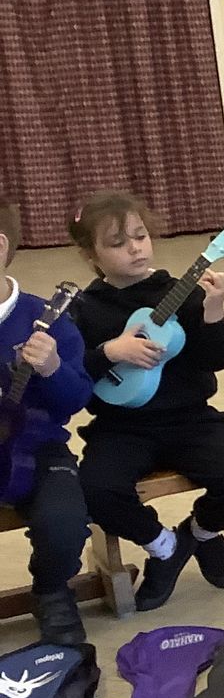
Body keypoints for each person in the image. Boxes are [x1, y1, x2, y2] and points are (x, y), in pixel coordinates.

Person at [69, 192, 224, 613]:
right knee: (94, 490)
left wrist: (214, 310)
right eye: (118, 242)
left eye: (140, 236)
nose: (135, 248)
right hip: (121, 427)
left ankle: (201, 534)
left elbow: (216, 359)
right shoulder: (84, 309)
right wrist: (109, 353)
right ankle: (165, 548)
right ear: (90, 255)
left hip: (190, 419)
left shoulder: (181, 292)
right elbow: (72, 377)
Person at [0, 204, 92, 643]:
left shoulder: (46, 318)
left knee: (64, 520)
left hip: (36, 447)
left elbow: (76, 400)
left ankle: (52, 590)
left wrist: (53, 368)